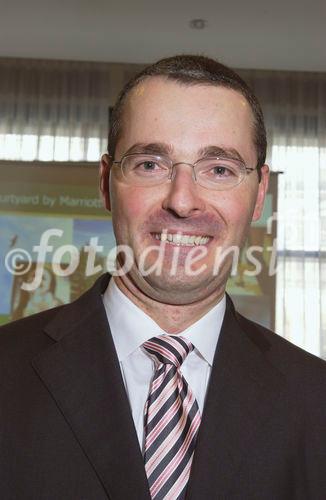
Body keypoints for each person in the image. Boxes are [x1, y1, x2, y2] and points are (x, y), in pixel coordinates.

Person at [1, 55, 326, 500]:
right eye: (151, 164)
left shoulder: (316, 400)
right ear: (105, 182)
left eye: (220, 169)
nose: (183, 202)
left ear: (259, 194)